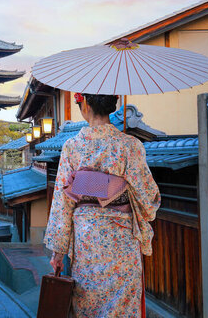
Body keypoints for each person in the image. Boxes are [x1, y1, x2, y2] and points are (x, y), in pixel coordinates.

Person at [43, 93, 160, 318]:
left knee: (88, 306)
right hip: (122, 242)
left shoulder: (72, 147)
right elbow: (149, 198)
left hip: (87, 243)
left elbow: (62, 202)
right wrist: (120, 188)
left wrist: (58, 252)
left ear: (85, 104)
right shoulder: (130, 145)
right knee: (122, 308)